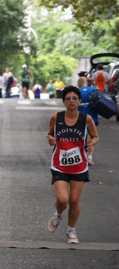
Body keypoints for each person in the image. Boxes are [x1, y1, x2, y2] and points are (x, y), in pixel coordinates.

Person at [46, 86, 98, 244]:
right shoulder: (56, 117)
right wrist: (50, 139)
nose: (71, 101)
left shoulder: (86, 119)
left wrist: (91, 143)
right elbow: (50, 134)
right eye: (68, 99)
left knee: (74, 200)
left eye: (74, 98)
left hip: (79, 165)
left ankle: (71, 231)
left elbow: (95, 136)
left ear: (79, 101)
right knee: (62, 200)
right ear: (63, 102)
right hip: (59, 164)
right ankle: (59, 214)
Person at [77, 77, 98, 165]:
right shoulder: (94, 90)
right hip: (92, 119)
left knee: (78, 138)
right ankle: (89, 158)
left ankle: (79, 157)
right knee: (91, 138)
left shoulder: (77, 92)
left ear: (79, 83)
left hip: (79, 119)